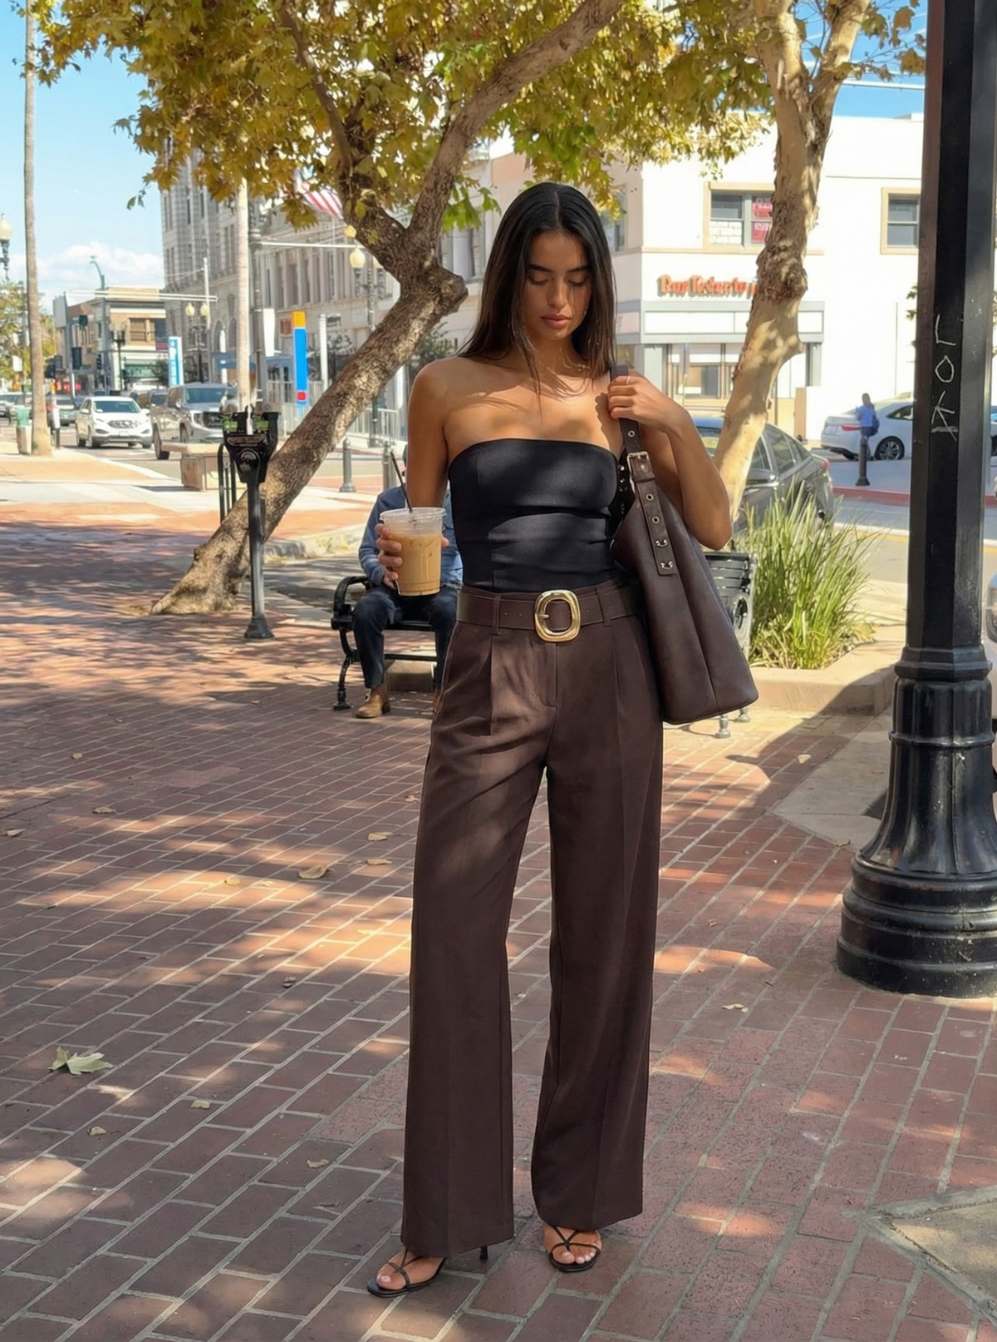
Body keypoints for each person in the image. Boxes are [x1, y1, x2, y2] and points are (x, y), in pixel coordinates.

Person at [367, 182, 731, 1297]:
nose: (560, 298)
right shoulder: (445, 386)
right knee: (454, 923)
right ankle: (447, 1208)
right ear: (508, 276)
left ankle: (580, 1195)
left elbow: (713, 524)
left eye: (578, 278)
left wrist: (671, 420)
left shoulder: (618, 395)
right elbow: (418, 540)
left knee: (605, 935)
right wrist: (399, 559)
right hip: (488, 659)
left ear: (599, 283)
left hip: (611, 664)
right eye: (539, 276)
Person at [351, 480, 461, 719]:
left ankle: (442, 689)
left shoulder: (458, 502)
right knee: (366, 611)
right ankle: (376, 691)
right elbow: (367, 550)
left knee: (450, 611)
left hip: (442, 587)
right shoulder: (387, 501)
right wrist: (381, 573)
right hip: (396, 587)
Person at [853, 392, 879, 461]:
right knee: (865, 441)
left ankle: (866, 455)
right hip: (863, 426)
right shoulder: (861, 408)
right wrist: (860, 415)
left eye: (866, 399)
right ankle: (866, 455)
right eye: (864, 399)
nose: (865, 401)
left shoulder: (871, 408)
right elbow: (857, 417)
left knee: (865, 441)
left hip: (869, 427)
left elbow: (876, 417)